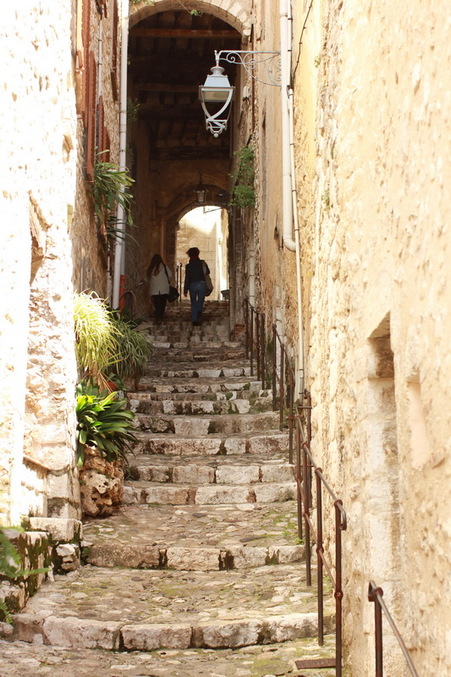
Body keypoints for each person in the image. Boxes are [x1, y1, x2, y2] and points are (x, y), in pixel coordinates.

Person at [183, 247, 210, 326]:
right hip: (202, 284)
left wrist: (185, 289)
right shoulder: (202, 263)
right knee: (200, 301)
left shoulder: (188, 266)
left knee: (193, 302)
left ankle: (194, 319)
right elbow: (208, 272)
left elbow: (187, 278)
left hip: (192, 285)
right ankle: (199, 313)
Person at [147, 253, 172, 320]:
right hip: (164, 289)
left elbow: (147, 278)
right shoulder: (164, 267)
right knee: (162, 304)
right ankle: (161, 316)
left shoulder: (151, 268)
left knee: (157, 304)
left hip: (155, 290)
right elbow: (170, 275)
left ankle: (158, 316)